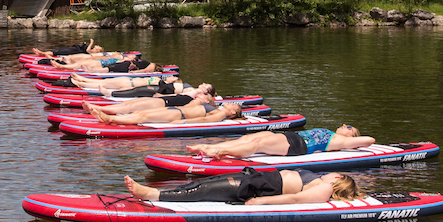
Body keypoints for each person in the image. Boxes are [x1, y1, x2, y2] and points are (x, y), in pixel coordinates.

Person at [123, 168, 361, 205]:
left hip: (260, 188)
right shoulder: (321, 181)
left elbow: (295, 200)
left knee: (204, 191)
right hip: (257, 178)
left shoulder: (325, 189)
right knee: (203, 184)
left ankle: (152, 194)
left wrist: (261, 201)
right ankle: (154, 192)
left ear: (338, 178)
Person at [184, 124, 375, 159]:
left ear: (352, 137)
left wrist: (353, 138)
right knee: (251, 137)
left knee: (258, 144)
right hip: (293, 137)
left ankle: (219, 153)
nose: (344, 125)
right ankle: (209, 147)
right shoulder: (335, 134)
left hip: (299, 146)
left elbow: (370, 140)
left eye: (349, 127)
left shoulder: (342, 141)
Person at [81, 84, 218, 117]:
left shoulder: (195, 99)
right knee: (128, 104)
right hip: (161, 101)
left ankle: (98, 109)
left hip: (162, 103)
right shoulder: (192, 96)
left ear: (206, 96)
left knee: (129, 107)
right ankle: (98, 108)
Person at [89, 101, 246, 126]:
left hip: (179, 116)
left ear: (233, 111)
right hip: (175, 110)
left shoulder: (221, 114)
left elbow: (205, 121)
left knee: (143, 118)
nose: (231, 103)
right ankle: (114, 117)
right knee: (140, 112)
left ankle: (110, 119)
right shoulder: (218, 109)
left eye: (233, 104)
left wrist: (184, 123)